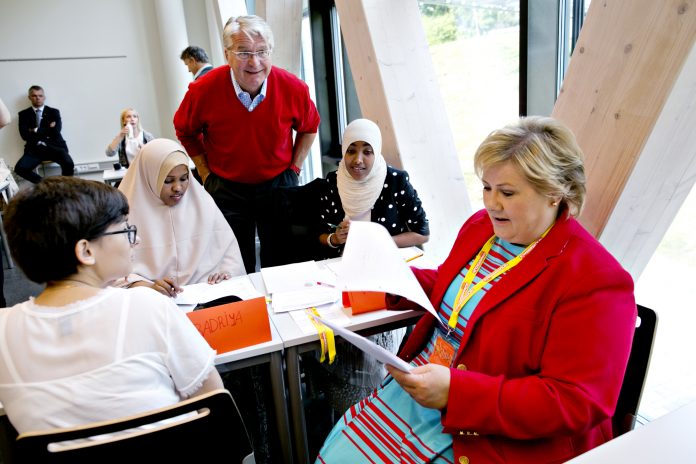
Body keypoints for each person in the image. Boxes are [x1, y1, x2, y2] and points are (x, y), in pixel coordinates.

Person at [316, 116, 637, 463]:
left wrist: (456, 393)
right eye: (487, 187)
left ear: (554, 193)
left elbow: (577, 401)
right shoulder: (482, 227)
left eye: (507, 193)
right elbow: (454, 286)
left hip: (488, 430)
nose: (491, 203)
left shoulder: (596, 279)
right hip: (424, 390)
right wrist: (385, 282)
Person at [0, 177, 223, 434]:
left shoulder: (4, 330)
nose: (135, 241)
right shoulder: (147, 306)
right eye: (125, 230)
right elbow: (214, 402)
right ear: (86, 251)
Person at [174, 14, 320, 273]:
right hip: (226, 187)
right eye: (243, 52)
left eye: (262, 51)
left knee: (282, 261)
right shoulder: (203, 90)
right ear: (227, 54)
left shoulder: (293, 88)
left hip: (278, 184)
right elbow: (185, 130)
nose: (254, 62)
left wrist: (294, 169)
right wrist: (206, 174)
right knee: (233, 264)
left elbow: (309, 127)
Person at [117, 138, 245, 297]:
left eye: (184, 178)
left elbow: (229, 255)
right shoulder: (122, 216)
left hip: (206, 298)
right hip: (151, 303)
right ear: (149, 176)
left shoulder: (203, 204)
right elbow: (111, 274)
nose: (178, 188)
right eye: (168, 181)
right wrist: (146, 286)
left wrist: (225, 273)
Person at [318, 118, 429, 255]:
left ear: (376, 151)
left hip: (384, 259)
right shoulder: (333, 180)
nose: (358, 160)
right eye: (351, 151)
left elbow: (422, 233)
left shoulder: (395, 181)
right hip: (343, 262)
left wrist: (379, 241)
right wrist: (334, 238)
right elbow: (319, 232)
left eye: (367, 152)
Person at [16, 85, 74, 183]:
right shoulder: (23, 114)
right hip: (35, 149)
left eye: (40, 95)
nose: (38, 98)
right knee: (20, 168)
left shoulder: (54, 112)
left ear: (44, 97)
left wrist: (35, 130)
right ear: (29, 97)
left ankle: (66, 187)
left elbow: (56, 131)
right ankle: (46, 184)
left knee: (69, 163)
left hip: (55, 147)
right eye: (34, 96)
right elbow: (24, 135)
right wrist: (48, 129)